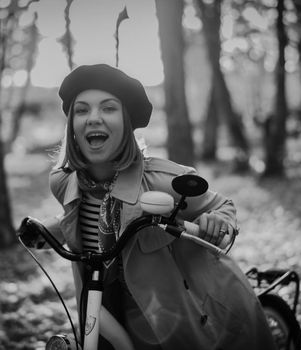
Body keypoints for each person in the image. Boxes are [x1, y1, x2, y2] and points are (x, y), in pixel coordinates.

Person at [24, 64, 277, 350]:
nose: (93, 118)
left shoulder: (162, 181)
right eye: (81, 110)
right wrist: (50, 229)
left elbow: (222, 206)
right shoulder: (64, 182)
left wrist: (217, 222)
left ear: (127, 121)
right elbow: (80, 214)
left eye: (108, 108)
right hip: (98, 305)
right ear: (72, 125)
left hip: (161, 313)